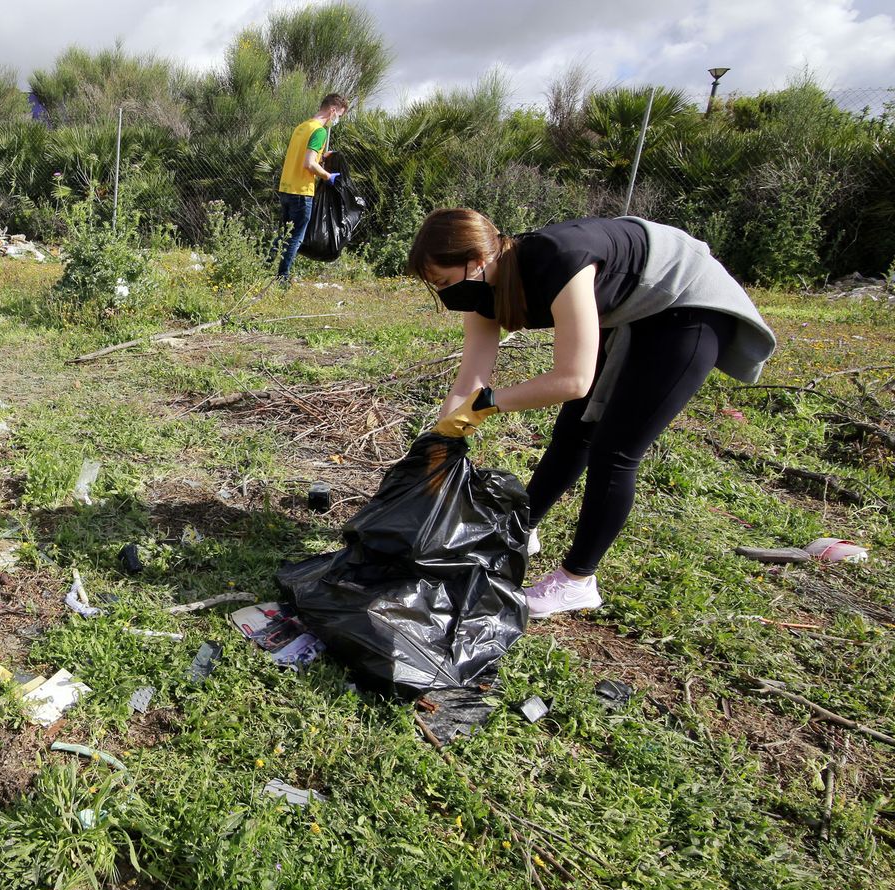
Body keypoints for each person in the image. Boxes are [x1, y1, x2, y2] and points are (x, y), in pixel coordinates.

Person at [410, 210, 776, 617]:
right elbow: (469, 381)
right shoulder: (482, 290)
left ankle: (576, 581)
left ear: (476, 259)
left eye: (443, 282)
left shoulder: (559, 260)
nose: (443, 294)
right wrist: (443, 437)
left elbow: (572, 379)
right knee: (574, 432)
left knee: (615, 450)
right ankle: (521, 529)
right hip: (630, 309)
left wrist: (488, 405)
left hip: (685, 303)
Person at [273, 93, 349, 282]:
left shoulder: (302, 127)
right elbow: (308, 164)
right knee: (295, 238)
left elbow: (303, 156)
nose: (337, 119)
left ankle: (263, 265)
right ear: (332, 110)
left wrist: (321, 158)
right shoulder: (320, 131)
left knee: (284, 234)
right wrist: (327, 175)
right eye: (339, 114)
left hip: (286, 187)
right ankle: (282, 278)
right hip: (301, 191)